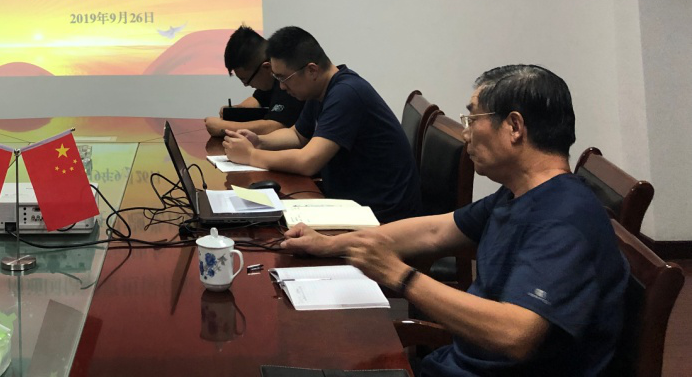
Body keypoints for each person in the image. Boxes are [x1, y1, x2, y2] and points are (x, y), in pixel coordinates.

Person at [276, 65, 627, 377]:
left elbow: (515, 335)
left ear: (514, 127)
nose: (466, 133)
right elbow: (433, 231)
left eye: (472, 120)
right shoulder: (517, 195)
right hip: (455, 362)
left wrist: (400, 275)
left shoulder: (563, 219)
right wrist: (329, 244)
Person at [221, 25, 420, 222]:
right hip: (356, 202)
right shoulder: (320, 91)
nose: (281, 87)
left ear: (312, 70)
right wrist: (259, 141)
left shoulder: (346, 94)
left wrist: (251, 155)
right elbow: (297, 135)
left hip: (383, 215)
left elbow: (308, 162)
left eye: (283, 78)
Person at [203, 25, 304, 138]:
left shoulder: (289, 79)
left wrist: (225, 127)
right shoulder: (269, 79)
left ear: (266, 67)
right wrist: (234, 111)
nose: (247, 85)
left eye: (247, 80)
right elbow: (257, 100)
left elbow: (277, 126)